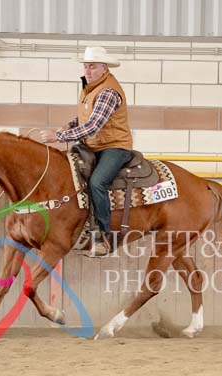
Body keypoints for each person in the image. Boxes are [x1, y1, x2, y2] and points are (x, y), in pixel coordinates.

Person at [40, 46, 133, 257]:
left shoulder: (108, 91)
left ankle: (103, 237)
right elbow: (87, 116)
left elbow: (93, 126)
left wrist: (59, 136)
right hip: (94, 145)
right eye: (86, 66)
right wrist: (70, 125)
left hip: (114, 146)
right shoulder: (92, 87)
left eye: (92, 67)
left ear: (104, 68)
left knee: (97, 182)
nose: (87, 71)